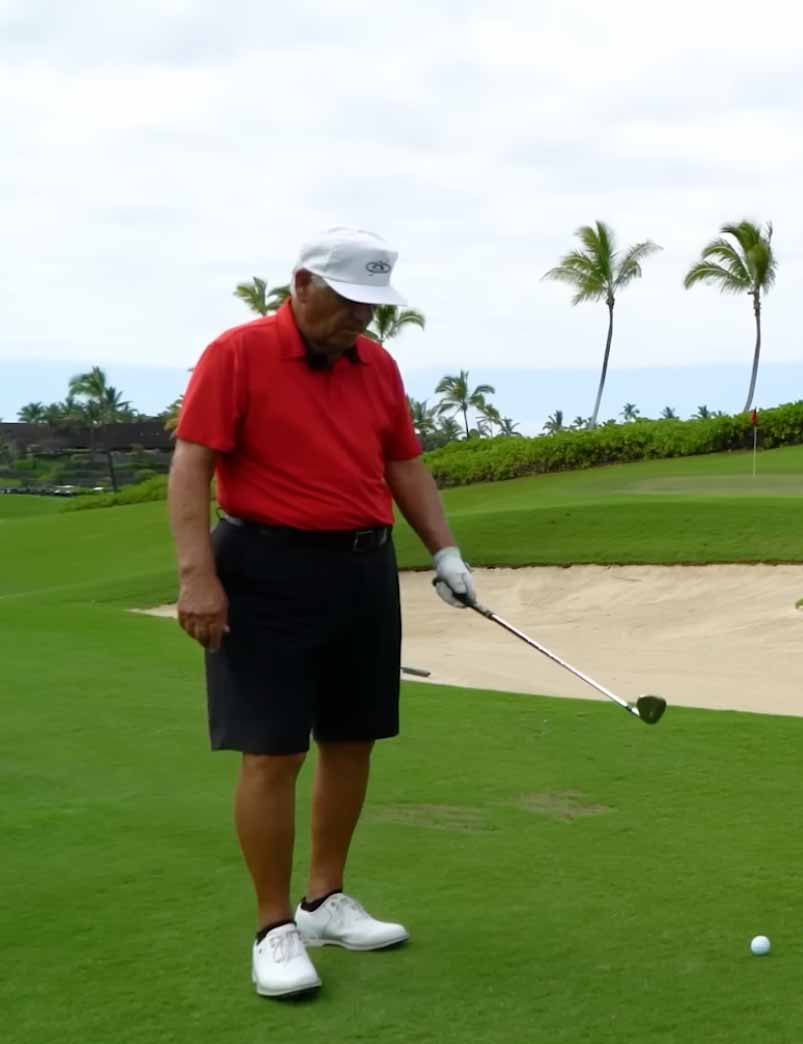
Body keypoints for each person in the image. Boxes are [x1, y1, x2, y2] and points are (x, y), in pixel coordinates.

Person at [168, 227, 480, 998]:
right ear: (303, 284)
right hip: (264, 569)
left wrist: (445, 552)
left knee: (353, 739)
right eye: (348, 304)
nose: (360, 322)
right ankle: (274, 928)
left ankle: (323, 901)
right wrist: (196, 577)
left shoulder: (377, 365)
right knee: (273, 752)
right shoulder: (236, 354)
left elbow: (403, 462)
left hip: (362, 570)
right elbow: (192, 464)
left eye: (372, 309)